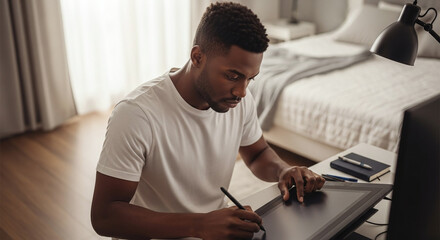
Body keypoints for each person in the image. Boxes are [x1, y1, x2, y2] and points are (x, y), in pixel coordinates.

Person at [91, 2, 325, 240]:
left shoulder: (240, 100)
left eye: (250, 79)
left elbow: (256, 154)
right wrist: (199, 225)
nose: (242, 92)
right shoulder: (136, 115)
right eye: (232, 76)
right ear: (197, 57)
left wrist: (283, 170)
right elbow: (105, 216)